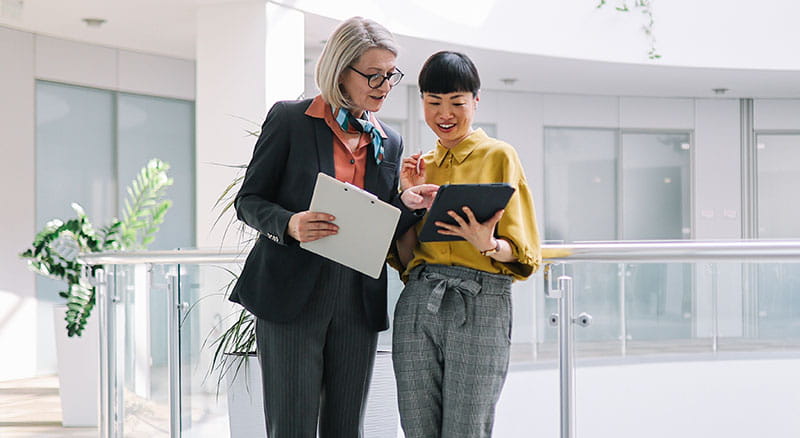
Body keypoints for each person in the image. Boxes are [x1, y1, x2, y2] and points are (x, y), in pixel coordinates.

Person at [230, 17, 437, 437]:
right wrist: (290, 223)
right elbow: (248, 200)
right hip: (291, 298)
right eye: (373, 75)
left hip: (356, 299)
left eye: (390, 76)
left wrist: (408, 204)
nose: (383, 85)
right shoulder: (290, 120)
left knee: (347, 429)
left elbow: (377, 219)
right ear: (341, 70)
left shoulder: (388, 141)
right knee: (291, 428)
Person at [391, 51, 542, 438]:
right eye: (433, 102)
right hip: (419, 300)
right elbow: (408, 259)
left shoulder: (500, 155)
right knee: (416, 428)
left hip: (481, 300)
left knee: (466, 429)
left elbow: (524, 253)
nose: (445, 113)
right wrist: (407, 202)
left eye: (457, 102)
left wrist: (487, 243)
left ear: (476, 101)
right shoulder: (420, 165)